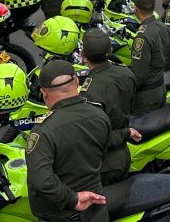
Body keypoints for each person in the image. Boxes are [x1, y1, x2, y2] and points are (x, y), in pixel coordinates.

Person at [26, 60, 110, 222]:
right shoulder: (100, 115)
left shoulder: (43, 130)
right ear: (77, 82)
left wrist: (73, 199)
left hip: (63, 215)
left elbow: (41, 180)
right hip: (97, 206)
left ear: (44, 93)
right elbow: (102, 153)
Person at [79, 29, 138, 185]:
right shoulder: (126, 73)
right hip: (124, 154)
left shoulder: (89, 93)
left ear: (83, 55)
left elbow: (96, 138)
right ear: (110, 50)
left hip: (105, 163)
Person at [130, 0, 168, 113]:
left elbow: (139, 74)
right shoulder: (162, 26)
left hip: (146, 96)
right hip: (160, 86)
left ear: (136, 9)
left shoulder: (142, 37)